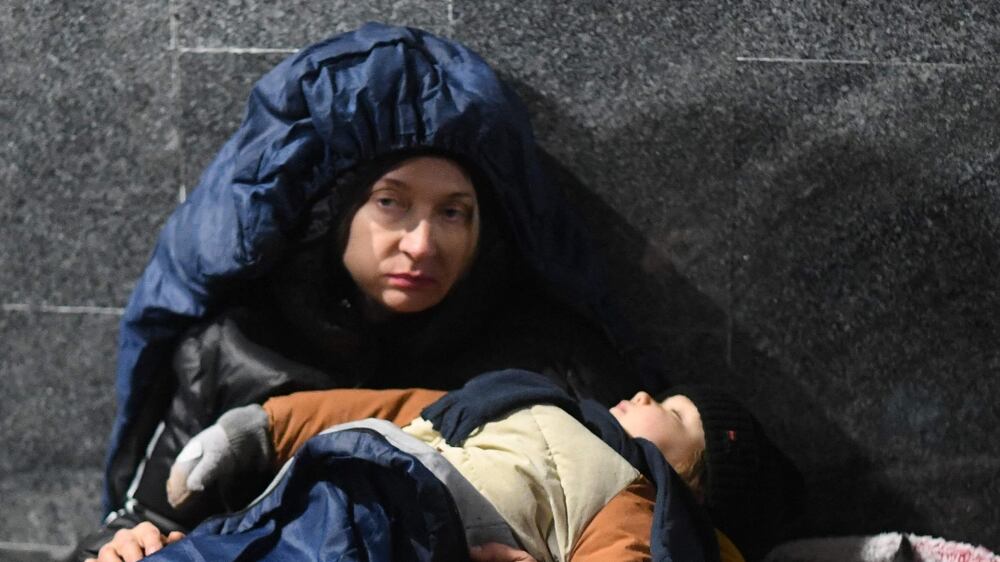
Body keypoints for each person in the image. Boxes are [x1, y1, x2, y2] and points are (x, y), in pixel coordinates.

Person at [76, 22, 649, 561]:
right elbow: (140, 516)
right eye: (390, 202)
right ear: (334, 211)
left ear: (484, 232)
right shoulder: (232, 351)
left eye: (454, 212)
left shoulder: (551, 364)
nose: (423, 244)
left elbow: (650, 517)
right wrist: (123, 544)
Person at [88, 370, 803, 562]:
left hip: (406, 522)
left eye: (675, 416)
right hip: (323, 482)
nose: (648, 395)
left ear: (693, 485)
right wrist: (263, 427)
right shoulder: (527, 395)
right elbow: (398, 403)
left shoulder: (634, 498)